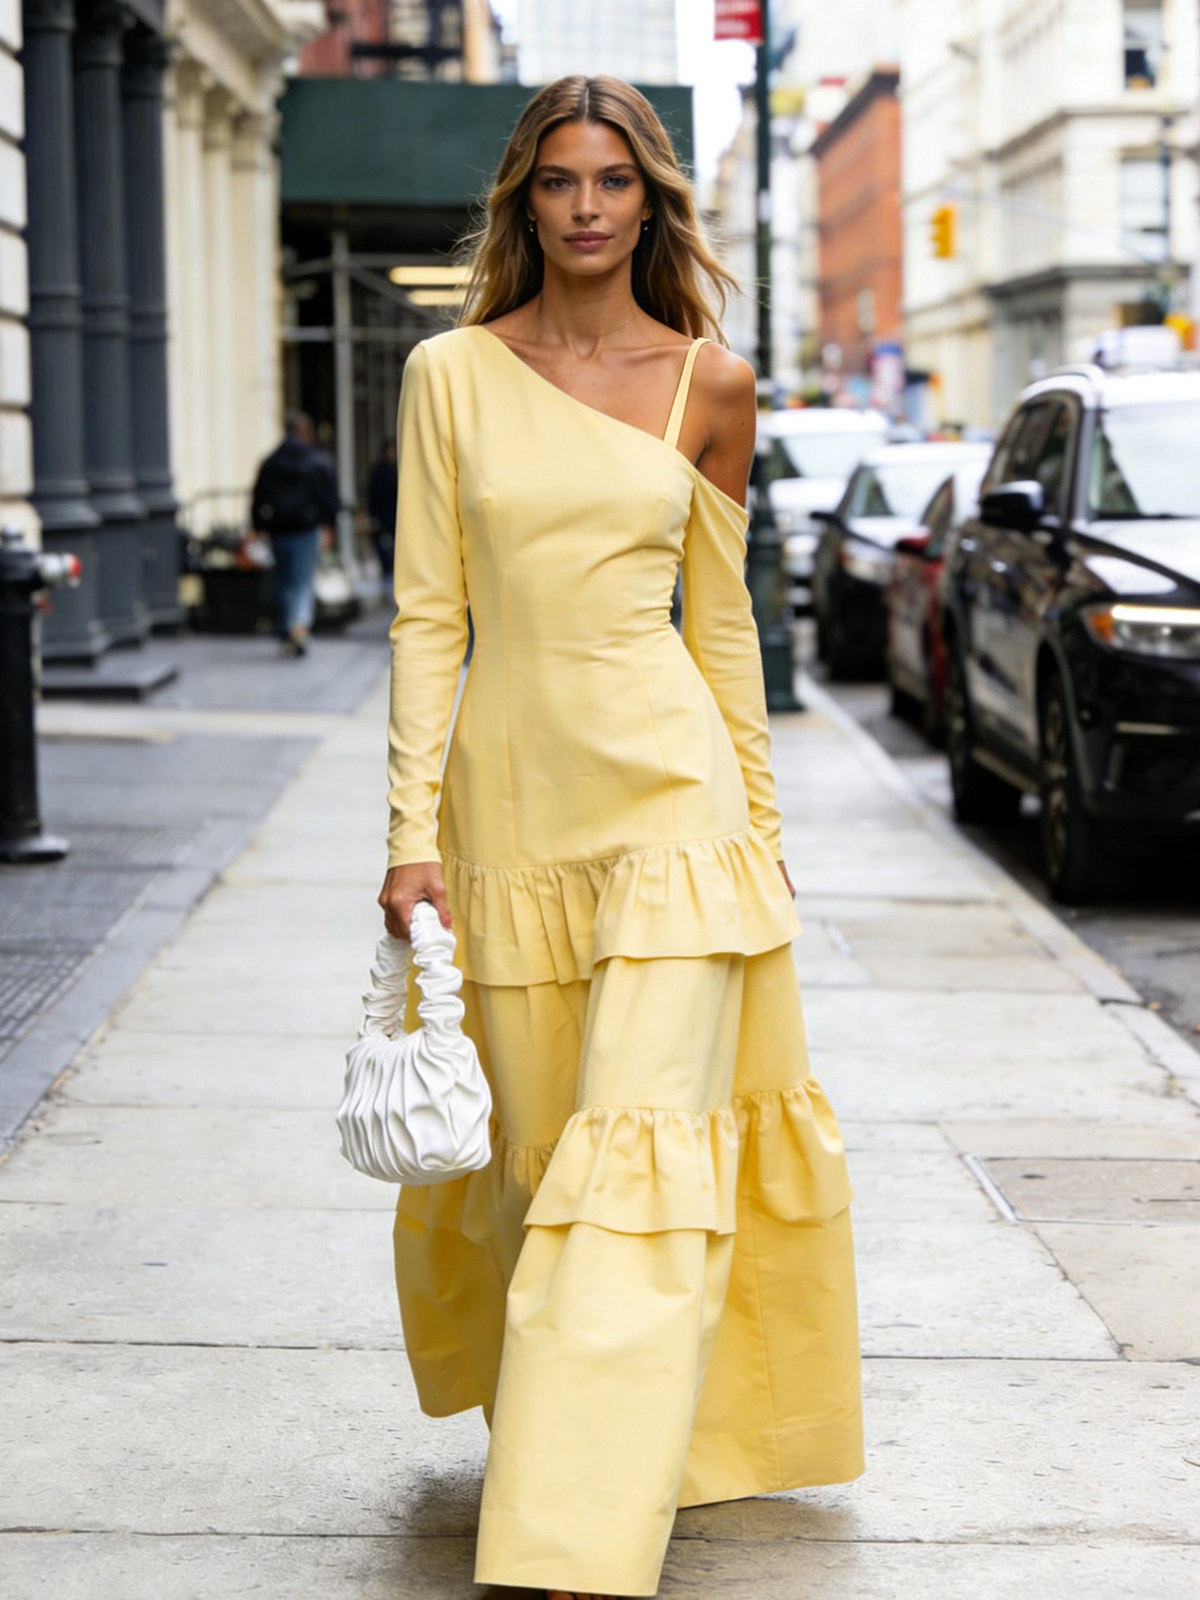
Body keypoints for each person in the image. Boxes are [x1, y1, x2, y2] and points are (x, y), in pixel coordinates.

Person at [376, 76, 863, 1600]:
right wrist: (407, 837)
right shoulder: (450, 375)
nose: (586, 207)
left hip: (674, 816)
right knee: (536, 1178)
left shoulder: (711, 383)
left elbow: (722, 631)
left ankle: (570, 1541)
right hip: (511, 815)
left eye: (613, 181)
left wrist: (761, 830)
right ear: (523, 201)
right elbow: (428, 617)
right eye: (558, 181)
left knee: (637, 1165)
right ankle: (587, 1453)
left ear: (651, 200)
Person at [250, 412, 339, 656]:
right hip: (305, 529)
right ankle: (298, 626)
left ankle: (288, 628)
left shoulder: (271, 461)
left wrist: (257, 526)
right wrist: (329, 524)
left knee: (284, 581)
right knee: (302, 581)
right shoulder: (316, 461)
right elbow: (327, 497)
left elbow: (259, 496)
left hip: (279, 530)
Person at [366, 439, 398, 580]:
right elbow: (373, 496)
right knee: (383, 552)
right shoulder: (379, 472)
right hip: (382, 519)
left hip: (395, 519)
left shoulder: (399, 471)